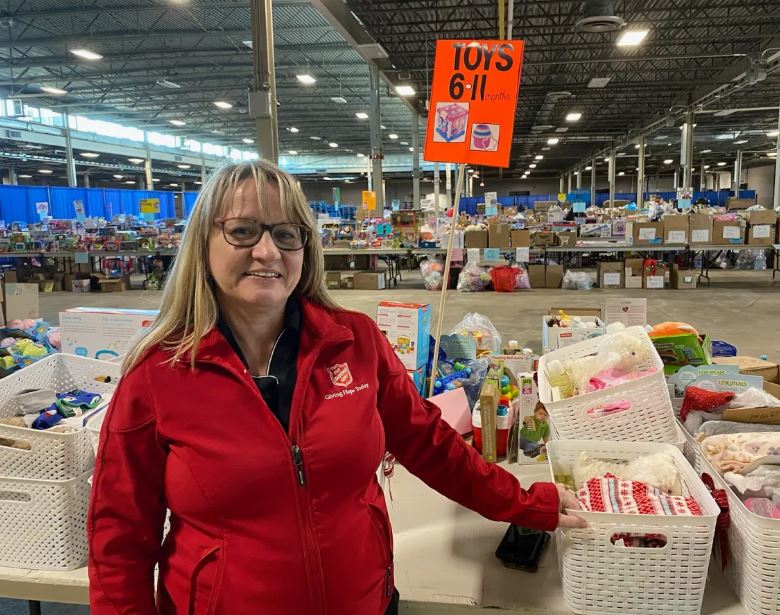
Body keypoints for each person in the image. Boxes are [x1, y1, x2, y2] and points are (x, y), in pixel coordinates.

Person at [88, 160, 585, 615]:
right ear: (203, 243)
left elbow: (431, 445)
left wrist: (525, 503)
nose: (267, 251)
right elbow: (119, 540)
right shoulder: (158, 373)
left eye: (286, 234)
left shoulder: (353, 341)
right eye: (242, 231)